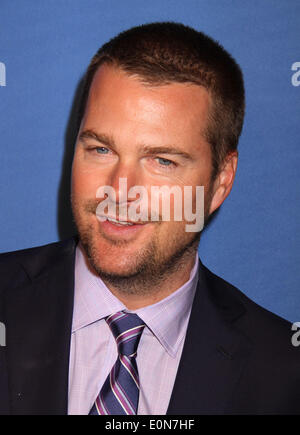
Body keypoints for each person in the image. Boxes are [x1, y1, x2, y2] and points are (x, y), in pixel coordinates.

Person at [0, 22, 299, 416]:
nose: (119, 190)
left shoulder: (284, 374)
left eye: (162, 160)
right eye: (101, 149)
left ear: (220, 182)